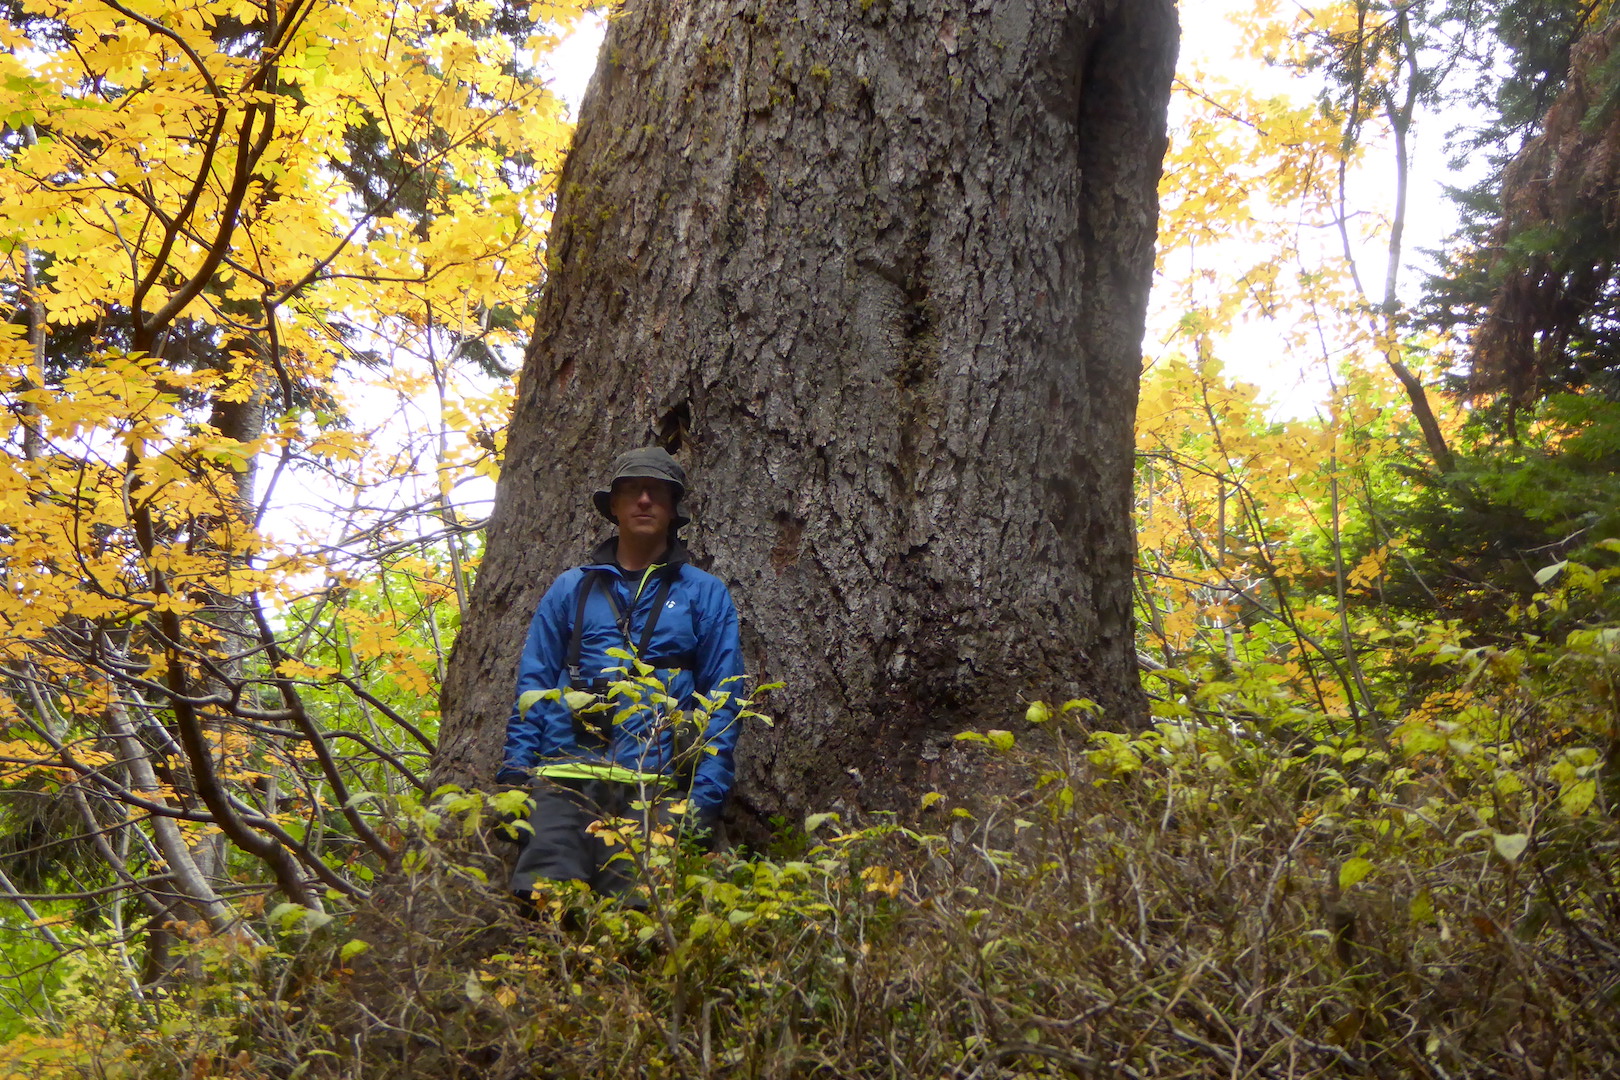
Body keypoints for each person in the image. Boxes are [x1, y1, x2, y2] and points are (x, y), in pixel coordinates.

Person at [497, 447, 745, 902]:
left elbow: (724, 702)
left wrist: (704, 802)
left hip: (656, 787)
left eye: (658, 492)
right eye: (631, 490)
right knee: (545, 904)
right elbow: (534, 686)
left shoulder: (703, 594)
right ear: (613, 506)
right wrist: (515, 777)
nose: (644, 500)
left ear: (674, 509)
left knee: (637, 916)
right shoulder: (571, 588)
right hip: (561, 782)